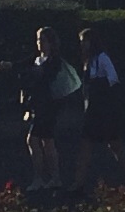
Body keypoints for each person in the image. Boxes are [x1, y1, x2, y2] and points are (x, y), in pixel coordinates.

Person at [21, 27, 83, 195]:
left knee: (33, 140)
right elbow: (22, 66)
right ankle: (54, 177)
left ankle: (39, 178)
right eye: (38, 40)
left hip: (48, 107)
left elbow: (45, 78)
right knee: (47, 141)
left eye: (42, 40)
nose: (39, 43)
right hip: (39, 106)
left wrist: (32, 75)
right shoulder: (37, 60)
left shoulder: (54, 62)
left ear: (50, 42)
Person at [78, 26, 125, 181]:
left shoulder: (102, 58)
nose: (82, 45)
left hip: (104, 111)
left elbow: (114, 80)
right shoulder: (88, 61)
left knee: (115, 145)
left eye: (85, 41)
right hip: (92, 110)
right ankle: (79, 183)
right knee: (85, 146)